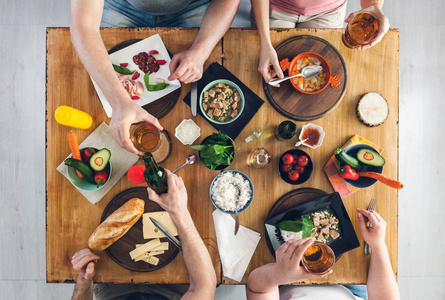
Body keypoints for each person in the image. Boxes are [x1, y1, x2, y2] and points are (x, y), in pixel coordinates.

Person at [70, 0, 240, 154]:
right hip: (121, 6)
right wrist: (119, 101)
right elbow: (83, 26)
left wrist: (200, 52)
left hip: (193, 7)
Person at [70, 170, 217, 300]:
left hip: (114, 293)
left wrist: (84, 279)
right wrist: (180, 213)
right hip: (171, 291)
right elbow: (204, 288)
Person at [246, 208, 400, 300]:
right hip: (353, 290)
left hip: (284, 281)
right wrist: (378, 246)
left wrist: (280, 274)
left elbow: (256, 289)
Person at [250, 0, 390, 85]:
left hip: (328, 12)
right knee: (266, 68)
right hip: (274, 7)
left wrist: (374, 5)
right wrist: (265, 43)